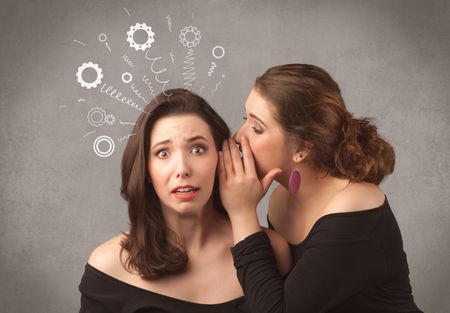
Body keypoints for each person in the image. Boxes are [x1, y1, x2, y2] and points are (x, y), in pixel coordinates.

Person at [218, 64, 423, 313]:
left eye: (257, 128)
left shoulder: (354, 207)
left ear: (302, 149)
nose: (239, 136)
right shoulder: (280, 199)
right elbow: (272, 290)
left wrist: (242, 214)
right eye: (245, 120)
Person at [78, 88, 291, 313]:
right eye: (163, 153)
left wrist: (243, 213)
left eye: (197, 149)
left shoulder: (274, 250)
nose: (182, 169)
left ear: (223, 159)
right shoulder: (109, 265)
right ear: (146, 170)